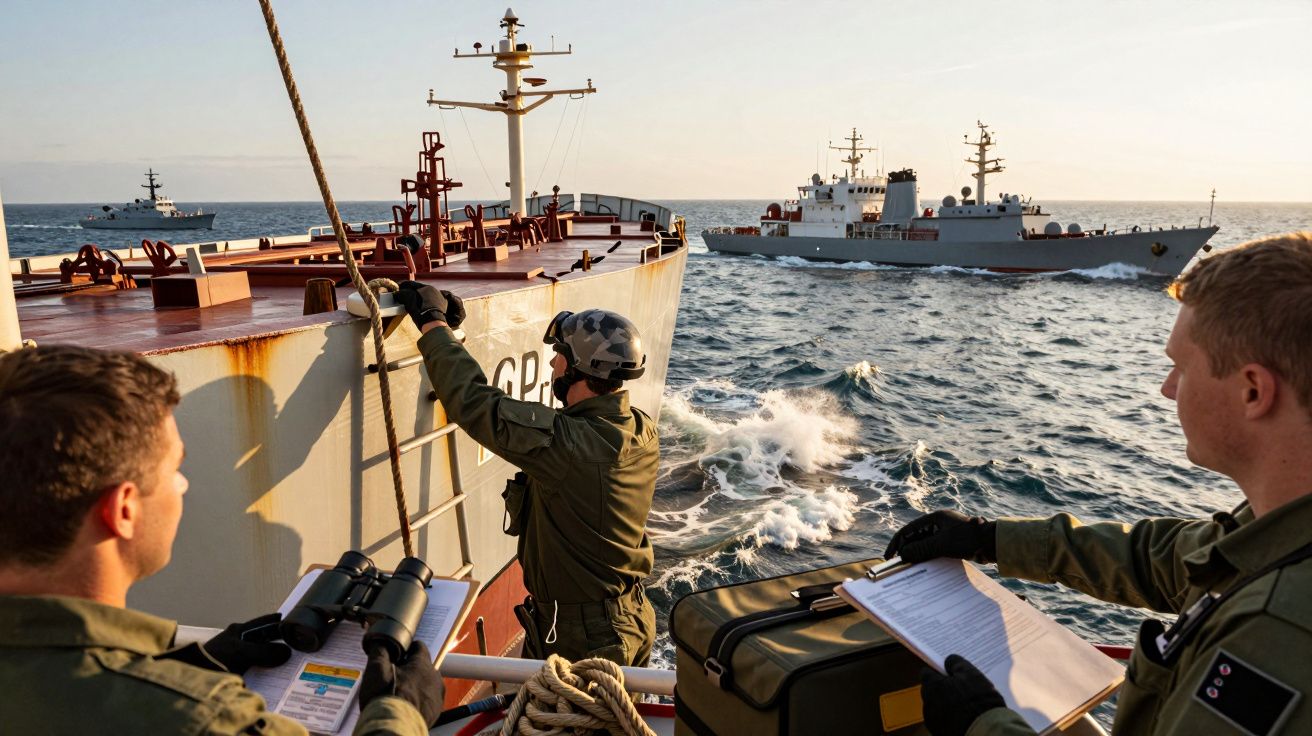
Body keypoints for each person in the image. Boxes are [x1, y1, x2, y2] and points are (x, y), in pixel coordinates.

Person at [885, 232, 1312, 735]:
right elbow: (1171, 560)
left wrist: (983, 726)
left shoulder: (1276, 633)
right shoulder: (1276, 526)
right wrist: (987, 537)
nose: (1167, 388)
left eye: (1181, 367)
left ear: (1253, 390)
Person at [0, 345, 440, 735]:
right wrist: (400, 716)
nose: (183, 487)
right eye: (174, 470)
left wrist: (180, 669)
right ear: (123, 510)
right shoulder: (209, 718)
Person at [394, 281, 659, 667]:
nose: (553, 363)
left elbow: (475, 404)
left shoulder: (569, 447)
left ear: (579, 369)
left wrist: (434, 324)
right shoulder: (639, 428)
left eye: (560, 355)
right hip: (623, 620)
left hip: (583, 638)